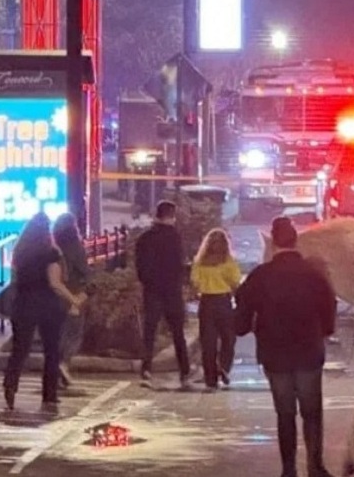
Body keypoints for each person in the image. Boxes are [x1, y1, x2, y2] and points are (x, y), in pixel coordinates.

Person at [236, 217, 336, 477]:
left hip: (275, 353)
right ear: (295, 241)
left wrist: (244, 326)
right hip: (308, 350)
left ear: (274, 243)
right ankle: (315, 467)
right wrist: (324, 330)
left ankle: (289, 469)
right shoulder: (314, 274)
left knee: (285, 413)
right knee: (312, 412)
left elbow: (242, 312)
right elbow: (329, 307)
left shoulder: (261, 276)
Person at [3, 212, 83, 410]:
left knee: (20, 349)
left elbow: (15, 278)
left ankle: (10, 384)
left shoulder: (20, 252)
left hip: (23, 303)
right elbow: (55, 283)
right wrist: (73, 299)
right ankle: (49, 394)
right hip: (48, 305)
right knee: (51, 351)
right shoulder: (51, 252)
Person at [135, 200, 193, 389]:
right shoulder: (174, 237)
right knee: (178, 333)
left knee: (150, 332)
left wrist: (148, 282)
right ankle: (184, 372)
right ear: (171, 216)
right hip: (172, 291)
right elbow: (179, 264)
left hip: (152, 291)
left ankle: (146, 370)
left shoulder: (145, 238)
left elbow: (140, 266)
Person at [190, 228, 242, 391]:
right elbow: (235, 281)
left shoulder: (199, 263)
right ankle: (224, 367)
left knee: (208, 343)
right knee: (228, 339)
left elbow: (195, 282)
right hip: (223, 302)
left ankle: (210, 379)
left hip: (206, 303)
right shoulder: (229, 262)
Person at [53, 213, 90, 390]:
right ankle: (63, 364)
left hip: (54, 298)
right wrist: (82, 296)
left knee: (59, 335)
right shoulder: (76, 248)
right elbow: (85, 274)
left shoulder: (54, 248)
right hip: (73, 295)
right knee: (74, 334)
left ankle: (58, 373)